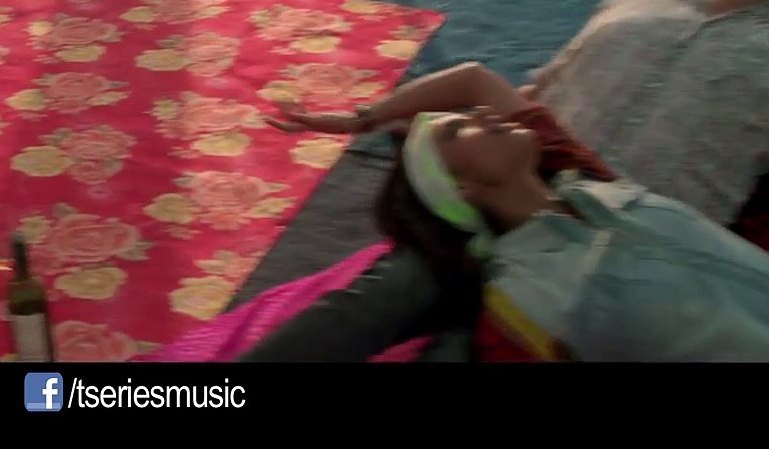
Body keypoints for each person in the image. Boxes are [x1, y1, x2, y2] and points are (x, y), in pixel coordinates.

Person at [240, 0, 769, 361]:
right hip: (535, 185)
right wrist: (382, 123)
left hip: (635, 254)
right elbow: (520, 86)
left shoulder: (653, 9)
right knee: (381, 300)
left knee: (449, 332)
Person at [280, 108, 769, 360]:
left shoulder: (591, 183)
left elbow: (475, 76)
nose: (485, 114)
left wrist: (366, 115)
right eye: (459, 129)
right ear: (463, 188)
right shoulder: (528, 292)